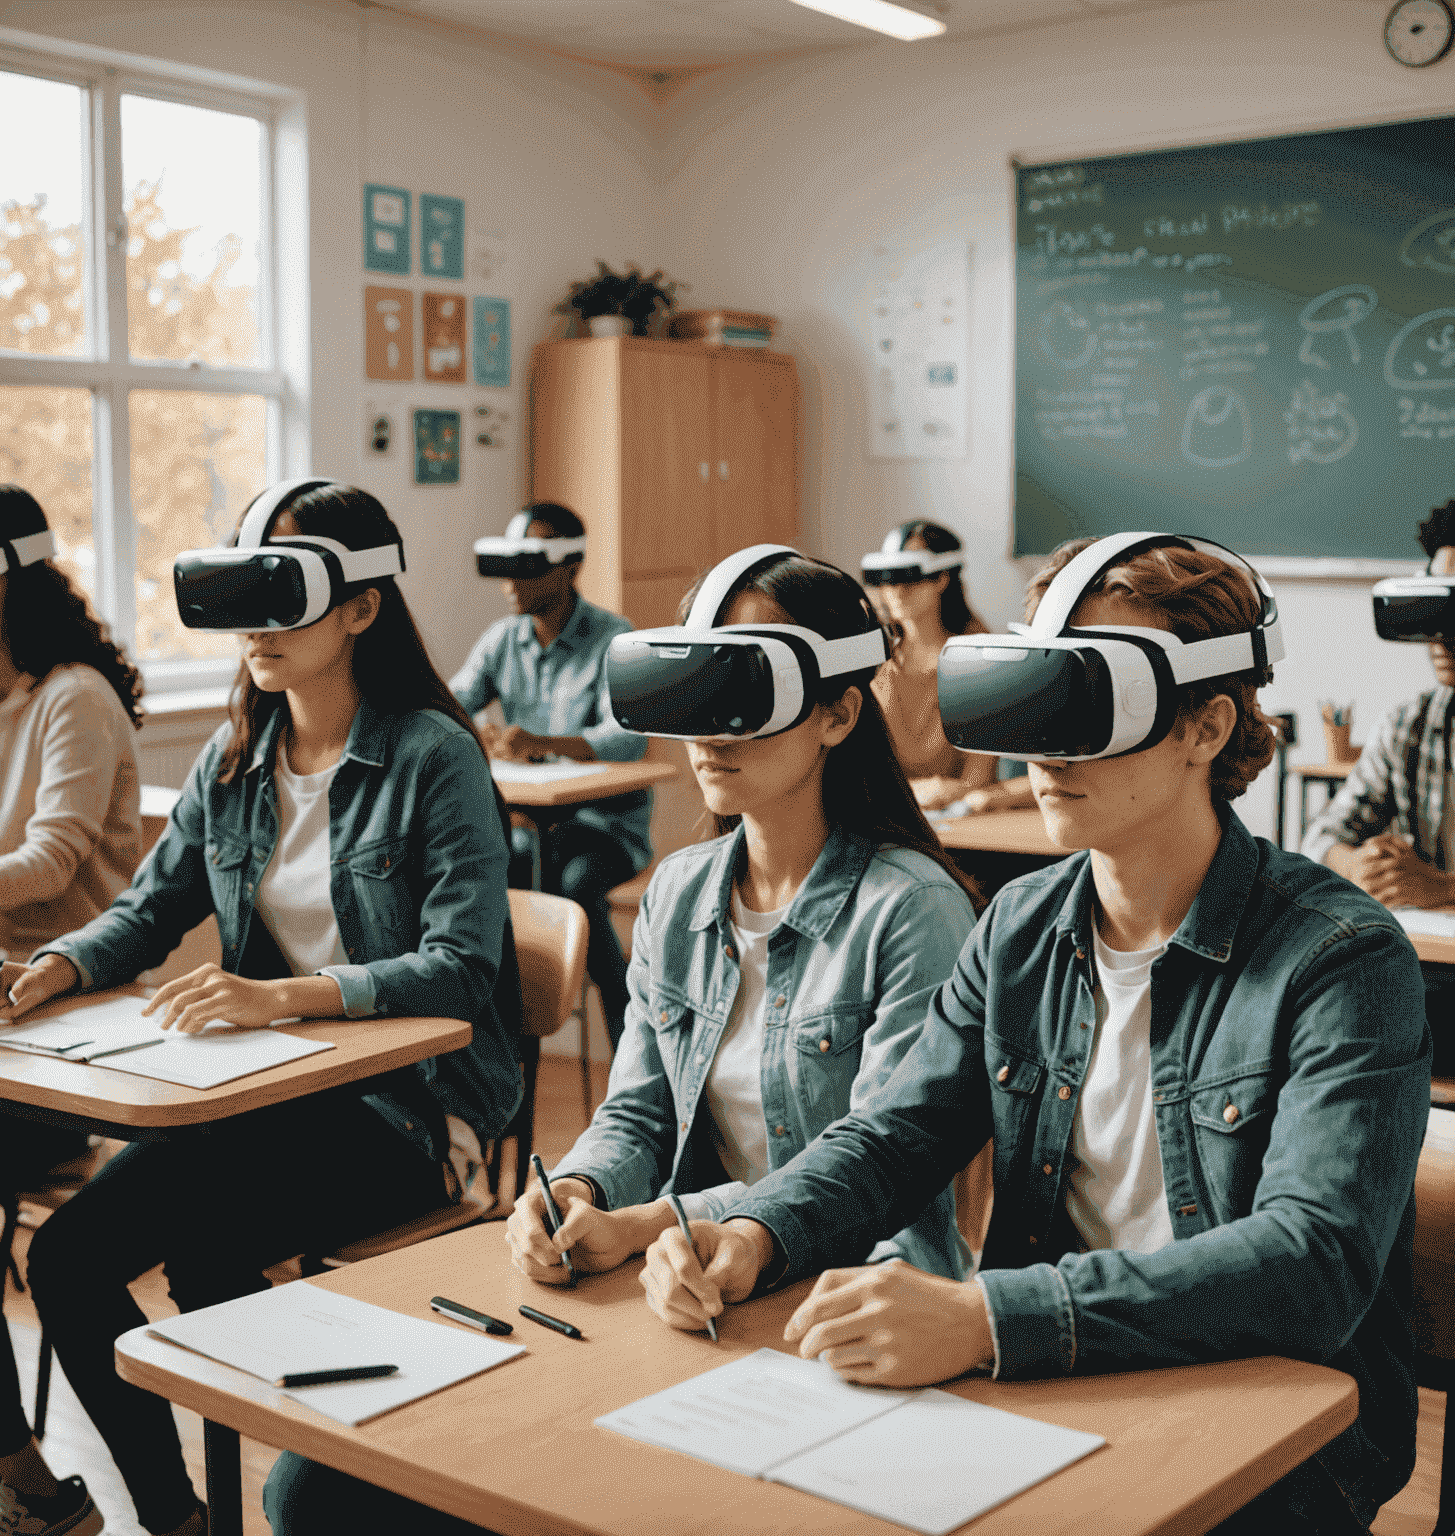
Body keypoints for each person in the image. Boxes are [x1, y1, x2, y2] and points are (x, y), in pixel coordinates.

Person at [643, 533, 1432, 1533]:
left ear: (1206, 723)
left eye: (1092, 706)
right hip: (1053, 1393)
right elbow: (896, 1132)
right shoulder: (1019, 926)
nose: (1044, 752)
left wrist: (985, 1317)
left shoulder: (1343, 959)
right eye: (1036, 698)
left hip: (1274, 1432)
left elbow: (1311, 1262)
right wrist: (759, 1231)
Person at [262, 545, 983, 1535]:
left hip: (839, 1308)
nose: (708, 731)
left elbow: (871, 1169)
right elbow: (638, 1106)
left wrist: (656, 1222)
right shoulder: (685, 891)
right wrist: (583, 1190)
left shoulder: (913, 910)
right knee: (311, 1483)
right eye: (692, 683)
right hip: (681, 1297)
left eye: (747, 689)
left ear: (838, 713)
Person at [0, 480, 523, 1536]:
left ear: (362, 607)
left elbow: (463, 969)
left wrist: (283, 995)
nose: (253, 629)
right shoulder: (236, 755)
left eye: (279, 597)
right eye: (237, 596)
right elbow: (146, 912)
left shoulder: (434, 756)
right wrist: (54, 968)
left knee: (204, 1256)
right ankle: (180, 1518)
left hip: (408, 1111)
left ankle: (333, 1488)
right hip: (253, 1103)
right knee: (67, 1260)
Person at [1302, 491, 1455, 1455]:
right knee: (1332, 1051)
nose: (1441, 629)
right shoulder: (1411, 723)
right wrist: (1369, 866)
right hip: (1430, 974)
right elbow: (1323, 842)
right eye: (1431, 600)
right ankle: (1353, 1316)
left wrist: (1445, 881)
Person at [0, 484, 143, 1536]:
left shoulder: (75, 696)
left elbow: (50, 867)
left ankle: (29, 1485)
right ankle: (23, 1475)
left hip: (74, 1027)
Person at [452, 503, 649, 1049]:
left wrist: (544, 743)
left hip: (604, 827)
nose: (510, 582)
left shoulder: (613, 639)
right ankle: (509, 1043)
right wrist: (472, 736)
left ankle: (632, 1031)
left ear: (567, 568)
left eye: (527, 567)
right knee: (486, 878)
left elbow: (628, 736)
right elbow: (449, 705)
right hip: (527, 825)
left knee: (574, 884)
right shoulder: (500, 641)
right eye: (506, 566)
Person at [863, 521, 999, 810]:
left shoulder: (980, 656)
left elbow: (978, 779)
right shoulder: (873, 656)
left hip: (957, 819)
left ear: (942, 578)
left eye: (909, 577)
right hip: (882, 813)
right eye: (888, 578)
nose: (896, 590)